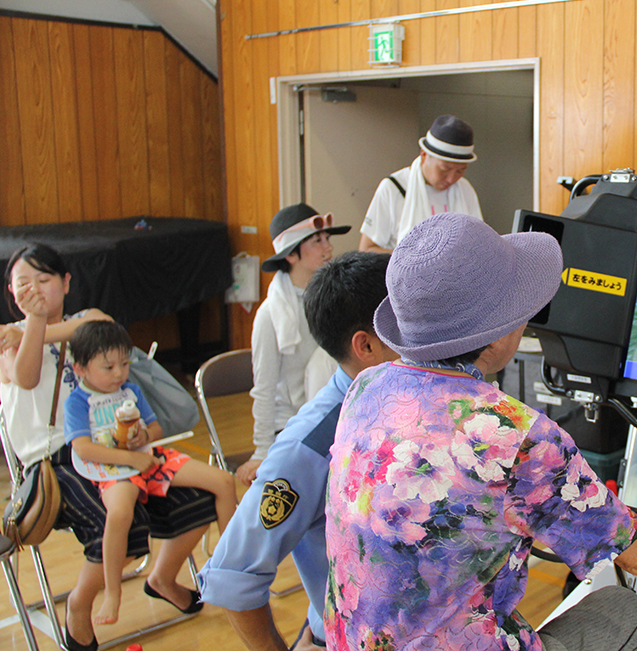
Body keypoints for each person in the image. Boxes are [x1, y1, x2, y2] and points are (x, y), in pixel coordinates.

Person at [326, 214, 637, 651]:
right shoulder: (515, 436)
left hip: (356, 642)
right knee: (621, 610)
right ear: (496, 334)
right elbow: (635, 552)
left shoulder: (367, 387)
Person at [0, 243, 219, 651]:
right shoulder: (8, 344)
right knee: (118, 518)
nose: (34, 289)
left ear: (66, 283)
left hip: (117, 450)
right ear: (11, 293)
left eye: (43, 280)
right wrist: (29, 324)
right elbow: (27, 378)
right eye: (22, 284)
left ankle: (162, 579)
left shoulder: (87, 326)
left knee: (198, 495)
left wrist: (34, 325)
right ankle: (80, 605)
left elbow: (99, 322)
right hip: (56, 462)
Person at [198, 251, 397, 651]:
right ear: (367, 346)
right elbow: (234, 571)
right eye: (408, 320)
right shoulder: (313, 443)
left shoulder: (419, 403)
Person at [64, 320, 237, 626]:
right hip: (115, 470)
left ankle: (232, 566)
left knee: (223, 481)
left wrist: (144, 438)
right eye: (108, 367)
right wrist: (129, 457)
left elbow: (155, 427)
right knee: (119, 514)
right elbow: (83, 449)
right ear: (80, 369)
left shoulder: (129, 390)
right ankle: (112, 592)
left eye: (124, 364)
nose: (119, 373)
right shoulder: (77, 402)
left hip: (148, 459)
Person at [242, 203, 352, 486]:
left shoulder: (333, 299)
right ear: (291, 254)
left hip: (332, 418)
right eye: (317, 241)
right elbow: (264, 389)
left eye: (328, 239)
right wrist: (261, 450)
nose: (328, 248)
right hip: (290, 428)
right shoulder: (270, 314)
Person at [358, 114, 482, 253]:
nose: (451, 179)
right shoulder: (394, 188)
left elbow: (478, 243)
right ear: (424, 155)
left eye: (460, 171)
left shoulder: (464, 189)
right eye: (444, 169)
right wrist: (415, 258)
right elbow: (367, 249)